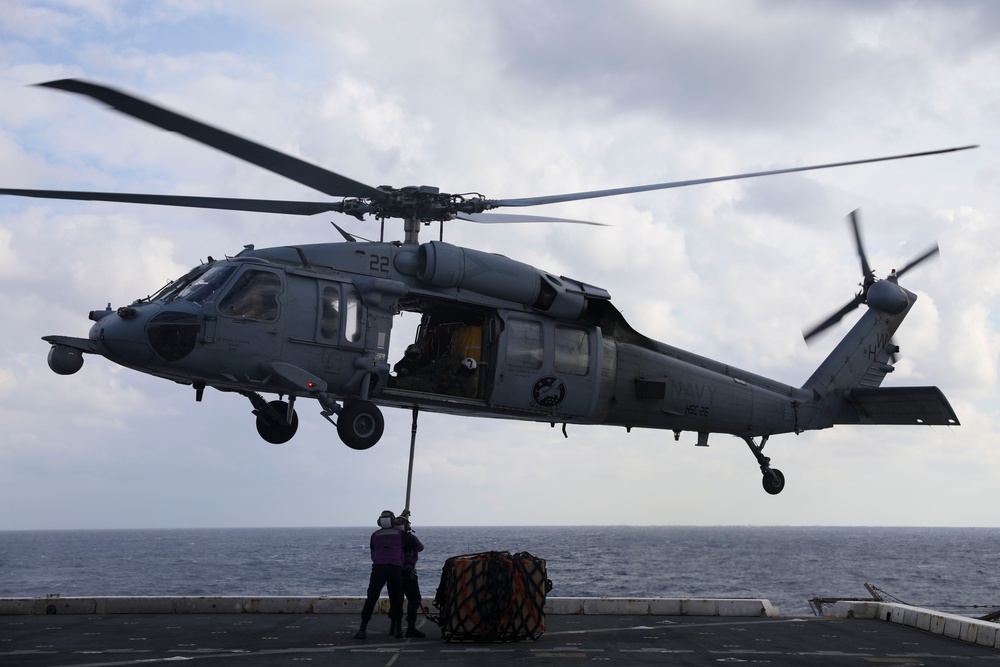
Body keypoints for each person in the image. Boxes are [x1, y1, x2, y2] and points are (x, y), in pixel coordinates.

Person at [355, 510, 406, 639]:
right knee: (397, 599)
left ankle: (362, 628)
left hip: (378, 569)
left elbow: (372, 551)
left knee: (371, 598)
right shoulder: (401, 534)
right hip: (395, 568)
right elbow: (413, 544)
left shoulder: (374, 535)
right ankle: (398, 629)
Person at [394, 511, 426, 638]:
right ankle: (411, 627)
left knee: (397, 599)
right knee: (414, 599)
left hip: (394, 572)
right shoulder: (410, 538)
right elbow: (420, 547)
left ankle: (396, 628)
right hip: (408, 572)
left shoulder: (393, 537)